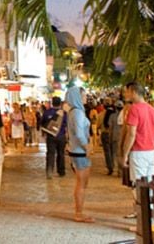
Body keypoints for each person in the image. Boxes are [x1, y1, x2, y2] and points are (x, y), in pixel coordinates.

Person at [121, 81, 154, 219]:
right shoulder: (152, 109)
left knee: (138, 185)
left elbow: (131, 134)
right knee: (149, 183)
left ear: (133, 91)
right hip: (151, 151)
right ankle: (148, 213)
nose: (125, 94)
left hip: (138, 151)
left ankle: (144, 217)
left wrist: (124, 155)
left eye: (126, 91)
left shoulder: (134, 109)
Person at [65, 87, 94, 223]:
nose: (85, 97)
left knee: (82, 183)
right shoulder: (77, 113)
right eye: (83, 95)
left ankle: (79, 211)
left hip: (78, 151)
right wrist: (86, 146)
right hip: (79, 152)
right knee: (81, 183)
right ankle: (79, 213)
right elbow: (79, 132)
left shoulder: (75, 112)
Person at [41, 97, 67, 179]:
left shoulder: (47, 112)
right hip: (61, 136)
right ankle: (61, 171)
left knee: (50, 154)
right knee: (61, 154)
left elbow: (42, 123)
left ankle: (49, 171)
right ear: (60, 103)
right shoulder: (64, 113)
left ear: (52, 103)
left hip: (50, 136)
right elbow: (66, 124)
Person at [100, 98, 117, 175]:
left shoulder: (101, 114)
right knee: (113, 151)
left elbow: (98, 125)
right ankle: (114, 165)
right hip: (113, 134)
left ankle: (110, 167)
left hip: (105, 133)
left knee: (107, 152)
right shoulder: (115, 113)